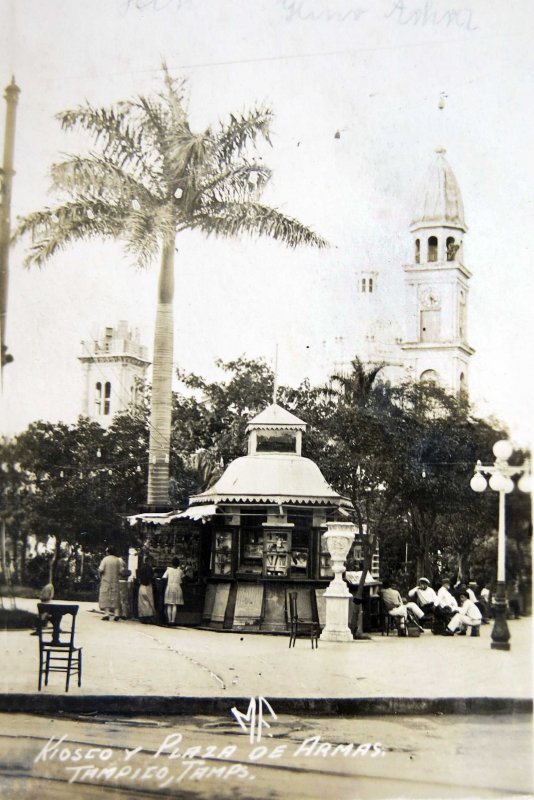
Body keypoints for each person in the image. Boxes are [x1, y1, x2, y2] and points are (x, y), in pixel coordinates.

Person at [98, 546, 125, 621]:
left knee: (106, 597)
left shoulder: (105, 559)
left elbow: (100, 569)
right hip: (115, 581)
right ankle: (117, 614)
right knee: (115, 597)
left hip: (106, 581)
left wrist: (100, 576)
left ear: (108, 552)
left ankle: (106, 614)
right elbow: (121, 571)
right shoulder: (118, 560)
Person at [163, 556, 184, 625]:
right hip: (177, 587)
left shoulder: (168, 570)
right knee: (175, 604)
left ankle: (169, 620)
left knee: (169, 604)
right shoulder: (180, 571)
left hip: (170, 587)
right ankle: (173, 620)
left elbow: (164, 577)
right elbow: (183, 579)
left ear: (172, 563)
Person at [137, 557, 156, 624]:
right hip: (148, 586)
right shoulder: (149, 568)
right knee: (149, 601)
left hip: (142, 586)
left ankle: (143, 616)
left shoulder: (142, 567)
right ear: (149, 561)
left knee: (142, 602)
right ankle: (149, 616)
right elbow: (151, 577)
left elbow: (138, 577)